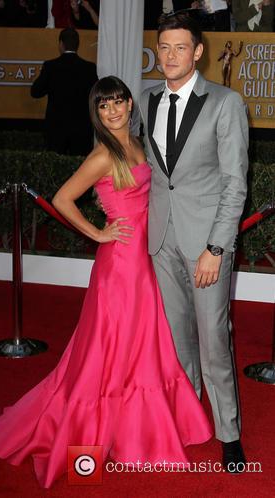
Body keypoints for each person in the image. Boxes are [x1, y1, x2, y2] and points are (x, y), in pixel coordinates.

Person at [0, 76, 212, 488]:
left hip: (145, 258)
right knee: (110, 347)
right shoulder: (103, 155)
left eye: (117, 102)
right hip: (121, 264)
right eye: (103, 106)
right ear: (97, 112)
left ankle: (139, 430)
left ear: (130, 104)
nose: (111, 111)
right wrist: (98, 233)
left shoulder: (138, 145)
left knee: (142, 343)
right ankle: (98, 440)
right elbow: (61, 198)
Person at [140, 12, 248, 472]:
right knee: (176, 340)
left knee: (213, 344)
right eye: (164, 47)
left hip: (207, 245)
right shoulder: (145, 100)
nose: (170, 56)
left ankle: (229, 434)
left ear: (198, 51)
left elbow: (234, 183)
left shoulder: (226, 103)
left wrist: (217, 248)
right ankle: (187, 420)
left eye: (180, 47)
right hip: (161, 238)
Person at [31, 27, 98, 156]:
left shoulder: (50, 66)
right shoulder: (89, 68)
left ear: (61, 44)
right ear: (78, 45)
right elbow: (96, 96)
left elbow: (35, 92)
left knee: (54, 168)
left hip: (56, 128)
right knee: (80, 168)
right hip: (81, 129)